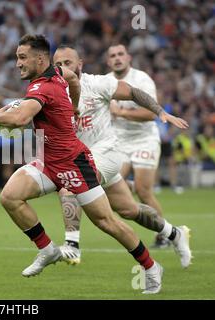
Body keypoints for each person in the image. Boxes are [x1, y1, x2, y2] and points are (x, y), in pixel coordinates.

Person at [0, 34, 163, 294]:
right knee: (10, 197)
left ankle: (150, 266)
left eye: (22, 57)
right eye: (17, 57)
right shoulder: (60, 72)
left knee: (107, 222)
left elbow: (19, 120)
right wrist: (74, 107)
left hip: (74, 164)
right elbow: (73, 80)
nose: (18, 63)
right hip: (48, 162)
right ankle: (48, 250)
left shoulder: (41, 88)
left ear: (40, 58)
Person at [52, 46, 191, 268]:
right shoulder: (54, 91)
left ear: (80, 64)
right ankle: (174, 233)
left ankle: (72, 245)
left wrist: (160, 112)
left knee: (71, 180)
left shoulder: (97, 83)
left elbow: (133, 92)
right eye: (58, 64)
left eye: (68, 63)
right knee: (129, 209)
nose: (63, 68)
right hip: (91, 156)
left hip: (108, 150)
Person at [106, 44, 171, 248]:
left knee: (144, 192)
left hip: (144, 139)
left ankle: (164, 236)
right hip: (119, 141)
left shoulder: (142, 80)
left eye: (120, 54)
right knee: (110, 188)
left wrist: (120, 113)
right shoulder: (105, 82)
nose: (117, 58)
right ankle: (129, 186)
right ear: (108, 61)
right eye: (113, 56)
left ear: (129, 57)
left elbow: (152, 114)